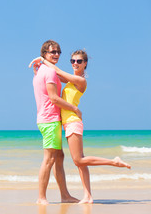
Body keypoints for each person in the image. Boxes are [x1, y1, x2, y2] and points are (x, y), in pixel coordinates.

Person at [29, 49, 131, 204]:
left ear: (85, 64)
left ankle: (114, 162)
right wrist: (40, 67)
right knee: (81, 161)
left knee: (78, 160)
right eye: (72, 61)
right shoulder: (71, 80)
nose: (75, 64)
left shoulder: (81, 81)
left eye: (79, 61)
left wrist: (42, 59)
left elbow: (56, 70)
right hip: (66, 122)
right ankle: (88, 196)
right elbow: (53, 75)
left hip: (72, 121)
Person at [30, 40, 80, 205]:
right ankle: (41, 197)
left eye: (58, 51)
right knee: (49, 159)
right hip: (50, 120)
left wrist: (42, 62)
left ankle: (65, 195)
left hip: (48, 119)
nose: (56, 54)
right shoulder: (49, 72)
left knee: (59, 157)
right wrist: (74, 108)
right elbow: (54, 98)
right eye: (52, 52)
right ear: (45, 53)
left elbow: (65, 79)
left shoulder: (42, 71)